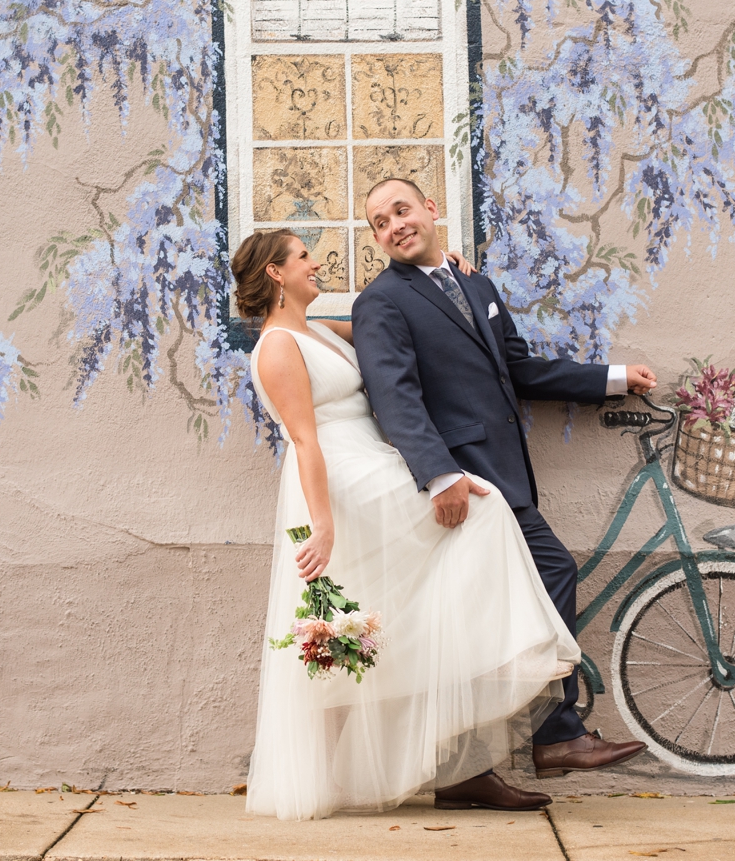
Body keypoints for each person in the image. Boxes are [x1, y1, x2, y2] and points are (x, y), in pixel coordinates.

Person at [238, 229, 582, 821]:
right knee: (483, 509)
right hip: (345, 480)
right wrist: (322, 526)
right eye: (303, 257)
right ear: (276, 273)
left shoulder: (318, 329)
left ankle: (460, 759)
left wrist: (442, 271)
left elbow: (397, 321)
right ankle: (512, 659)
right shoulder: (275, 347)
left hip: (373, 460)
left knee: (414, 608)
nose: (316, 263)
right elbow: (303, 440)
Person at [351, 178, 655, 810]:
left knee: (475, 621)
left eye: (401, 210)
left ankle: (472, 762)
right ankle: (555, 734)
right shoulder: (381, 302)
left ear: (431, 208)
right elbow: (394, 397)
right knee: (550, 571)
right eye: (380, 223)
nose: (394, 225)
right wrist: (439, 475)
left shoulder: (477, 286)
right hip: (465, 484)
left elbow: (518, 369)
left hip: (502, 471)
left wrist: (613, 377)